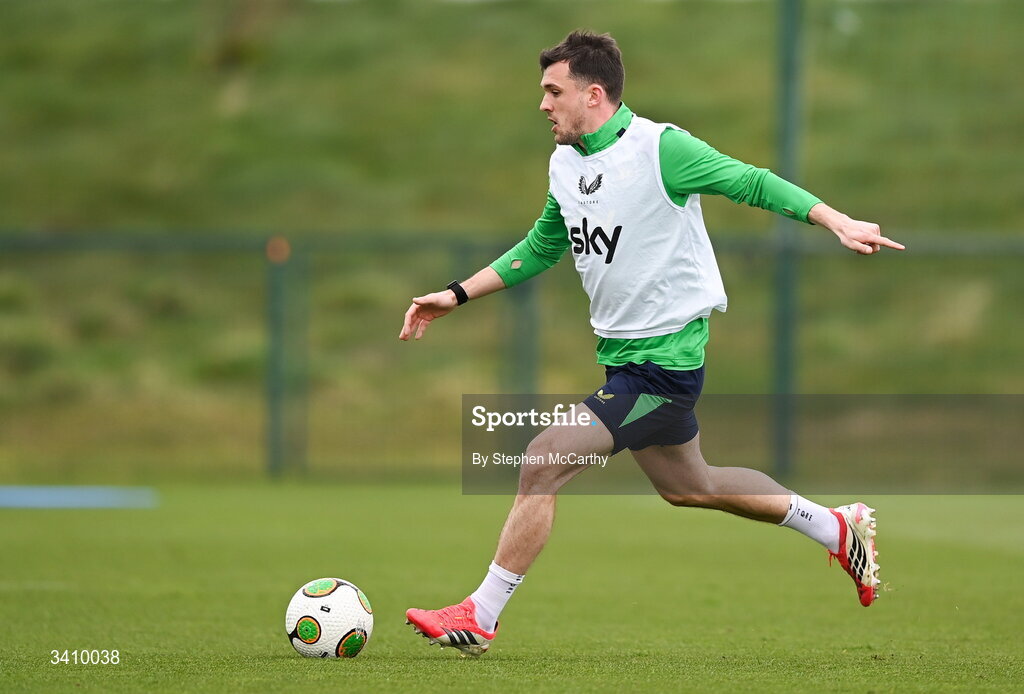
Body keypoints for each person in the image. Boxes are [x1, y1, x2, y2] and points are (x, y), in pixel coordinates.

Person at [399, 30, 903, 657]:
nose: (543, 104)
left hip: (663, 369)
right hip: (625, 362)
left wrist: (838, 220)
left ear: (594, 93)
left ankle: (481, 613)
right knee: (693, 485)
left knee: (542, 457)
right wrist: (458, 293)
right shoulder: (566, 163)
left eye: (553, 92)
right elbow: (542, 245)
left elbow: (752, 182)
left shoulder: (660, 148)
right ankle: (834, 527)